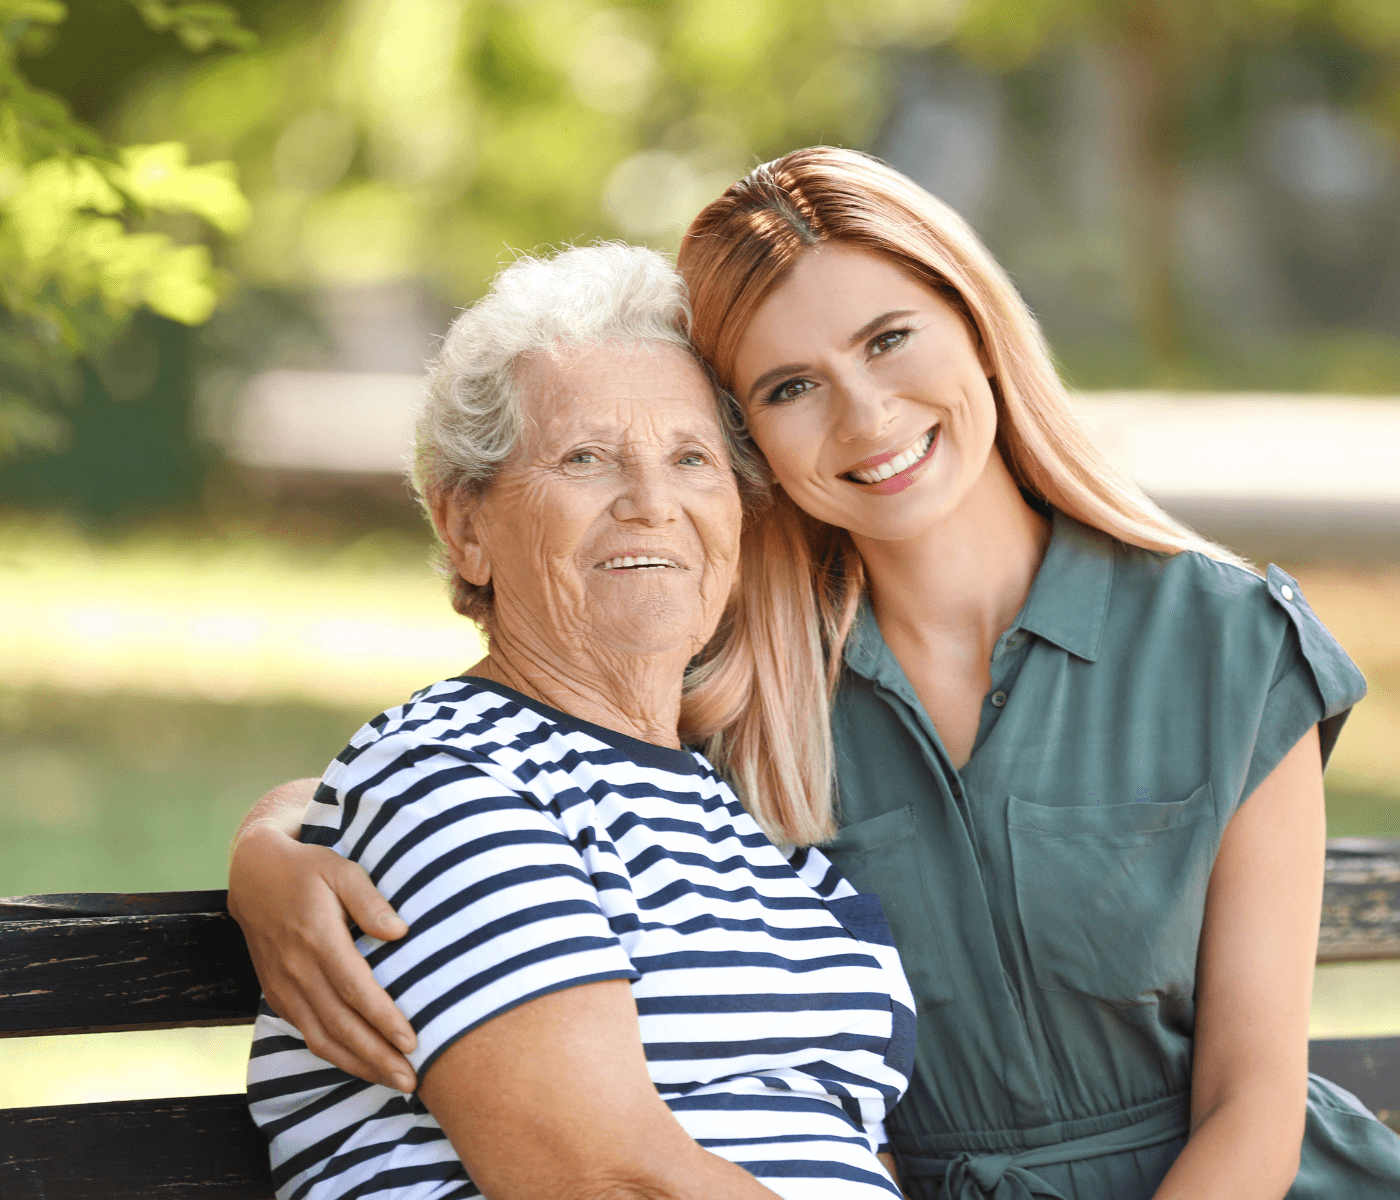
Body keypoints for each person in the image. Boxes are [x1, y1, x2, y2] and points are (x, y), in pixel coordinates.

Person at [229, 150, 1400, 1200]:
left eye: (888, 338)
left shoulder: (1222, 640)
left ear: (975, 320)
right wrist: (275, 847)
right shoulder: (741, 679)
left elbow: (1252, 1101)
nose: (865, 413)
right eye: (788, 388)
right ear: (755, 446)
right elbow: (495, 762)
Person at [238, 242, 916, 1200]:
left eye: (692, 459)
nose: (652, 504)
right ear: (466, 528)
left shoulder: (744, 823)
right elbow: (599, 1176)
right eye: (586, 459)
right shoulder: (451, 782)